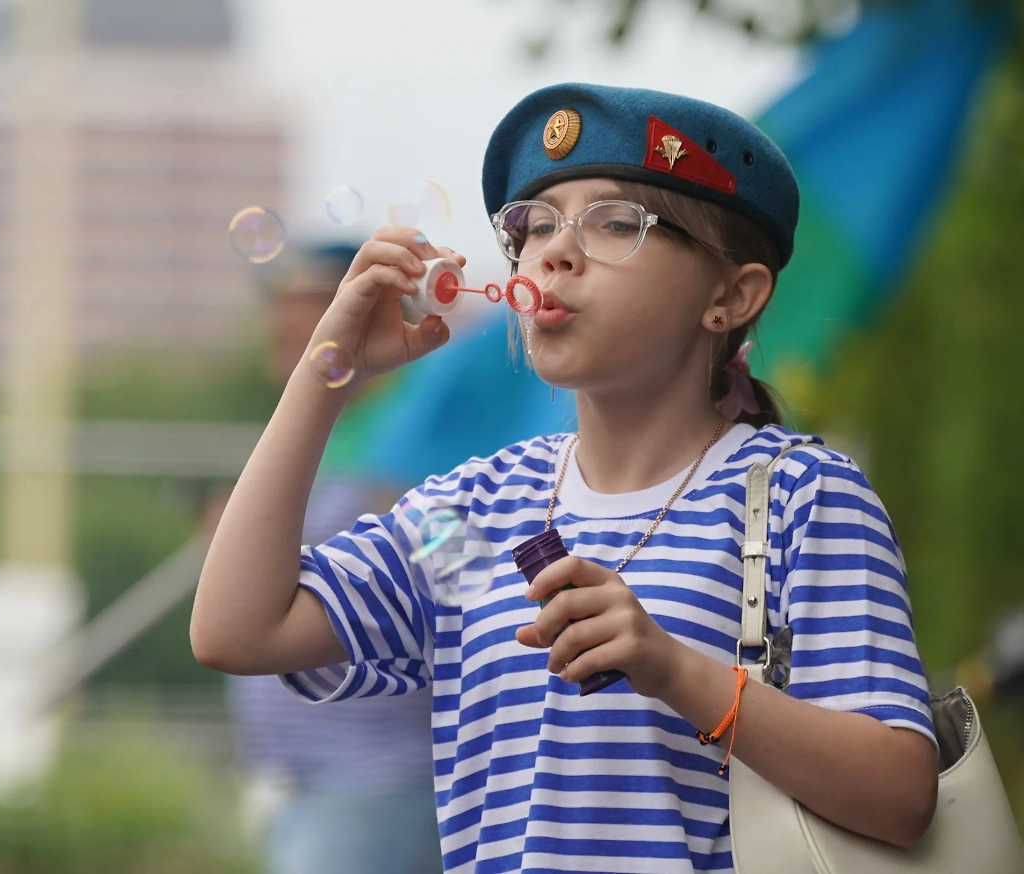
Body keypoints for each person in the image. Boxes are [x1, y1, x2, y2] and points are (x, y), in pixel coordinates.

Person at [191, 85, 939, 873]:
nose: (552, 252)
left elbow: (901, 793)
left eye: (615, 223)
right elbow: (238, 629)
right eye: (533, 226)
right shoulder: (476, 504)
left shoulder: (800, 497)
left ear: (731, 296)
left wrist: (674, 669)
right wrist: (324, 373)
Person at [216, 243, 441, 874]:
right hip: (312, 785)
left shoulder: (419, 442)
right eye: (279, 304)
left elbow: (470, 583)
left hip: (378, 785)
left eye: (311, 304)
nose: (287, 323)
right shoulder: (329, 438)